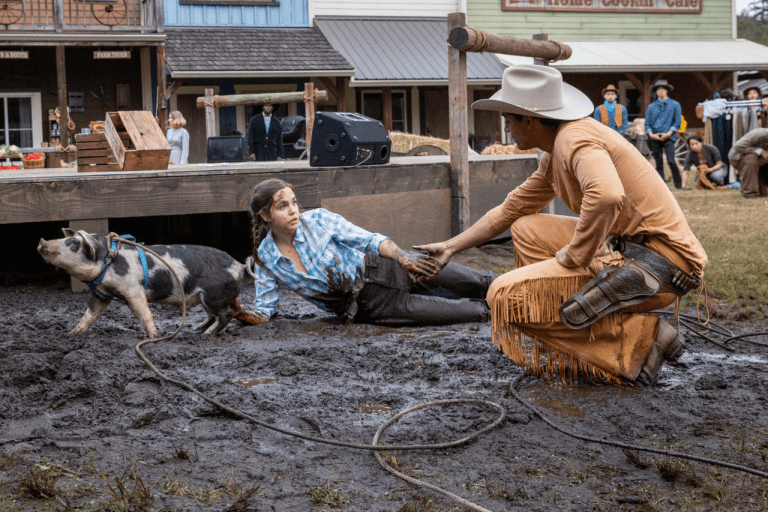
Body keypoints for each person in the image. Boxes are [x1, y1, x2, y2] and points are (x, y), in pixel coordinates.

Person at [415, 65, 707, 387]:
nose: (507, 128)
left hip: (660, 265)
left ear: (528, 117)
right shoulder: (555, 153)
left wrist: (576, 254)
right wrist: (451, 247)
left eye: (509, 119)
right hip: (635, 250)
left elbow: (608, 195)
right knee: (526, 228)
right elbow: (508, 211)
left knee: (505, 295)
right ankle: (569, 336)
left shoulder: (575, 138)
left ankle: (640, 340)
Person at [244, 179, 496, 326]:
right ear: (265, 216)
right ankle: (519, 312)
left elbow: (368, 239)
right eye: (283, 206)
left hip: (392, 266)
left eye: (294, 202)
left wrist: (402, 258)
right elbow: (265, 309)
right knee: (476, 313)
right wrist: (240, 313)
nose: (293, 210)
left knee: (482, 282)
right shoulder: (265, 259)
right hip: (374, 307)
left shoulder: (319, 220)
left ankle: (532, 293)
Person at [645, 79, 686, 189]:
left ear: (667, 90)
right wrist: (651, 134)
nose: (660, 91)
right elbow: (647, 123)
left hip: (669, 136)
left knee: (671, 161)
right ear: (656, 92)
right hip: (655, 137)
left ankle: (679, 185)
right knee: (658, 162)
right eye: (658, 89)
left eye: (663, 89)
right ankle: (662, 187)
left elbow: (677, 122)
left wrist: (669, 133)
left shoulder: (675, 105)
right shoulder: (651, 107)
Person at [728, 128, 768, 198]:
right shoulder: (760, 133)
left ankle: (761, 189)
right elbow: (738, 147)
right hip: (738, 158)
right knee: (751, 158)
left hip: (760, 160)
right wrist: (760, 151)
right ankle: (750, 193)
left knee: (764, 195)